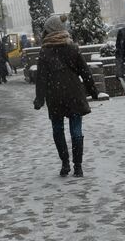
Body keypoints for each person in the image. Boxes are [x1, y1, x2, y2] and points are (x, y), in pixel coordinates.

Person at [33, 16, 101, 177]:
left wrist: (39, 99)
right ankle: (78, 166)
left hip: (54, 95)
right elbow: (85, 72)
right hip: (73, 93)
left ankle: (65, 163)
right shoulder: (72, 47)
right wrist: (93, 91)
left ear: (48, 31)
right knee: (76, 130)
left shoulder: (45, 51)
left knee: (58, 129)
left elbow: (41, 78)